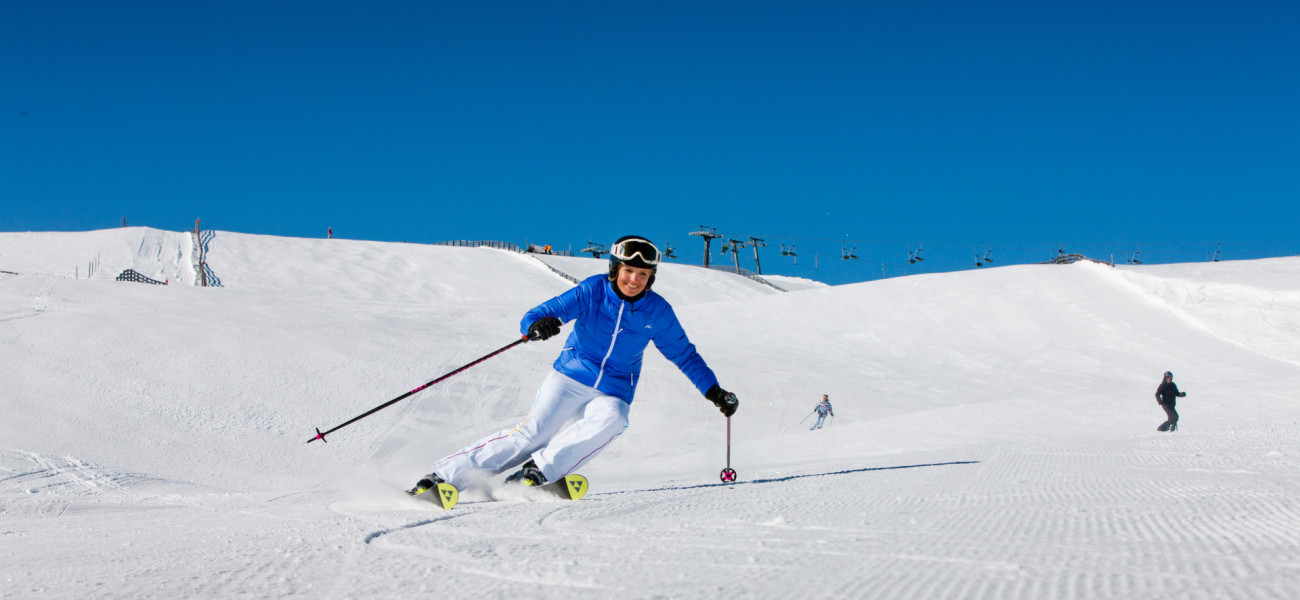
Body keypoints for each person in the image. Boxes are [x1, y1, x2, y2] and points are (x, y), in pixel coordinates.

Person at [410, 235, 739, 494]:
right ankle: (442, 477)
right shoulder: (593, 290)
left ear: (651, 277)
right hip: (570, 376)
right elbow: (535, 316)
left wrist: (713, 390)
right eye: (628, 271)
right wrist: (540, 325)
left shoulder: (658, 311)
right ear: (615, 270)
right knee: (531, 435)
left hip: (613, 388)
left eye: (643, 274)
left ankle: (537, 471)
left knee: (614, 419)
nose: (634, 280)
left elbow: (684, 354)